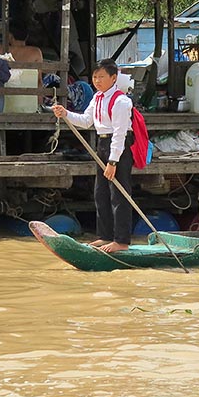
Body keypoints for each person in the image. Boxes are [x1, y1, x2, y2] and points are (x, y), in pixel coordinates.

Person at [52, 59, 133, 253]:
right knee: (101, 193)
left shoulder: (121, 101)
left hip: (118, 147)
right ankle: (105, 235)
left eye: (101, 77)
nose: (97, 80)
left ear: (113, 78)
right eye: (95, 77)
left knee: (119, 195)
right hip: (102, 144)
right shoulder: (97, 98)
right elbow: (86, 121)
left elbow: (120, 134)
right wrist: (66, 114)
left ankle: (121, 241)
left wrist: (113, 161)